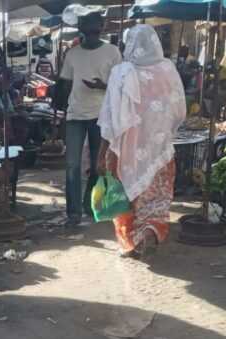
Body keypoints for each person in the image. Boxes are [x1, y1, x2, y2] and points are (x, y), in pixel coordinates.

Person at [97, 25, 186, 258]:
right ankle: (150, 229)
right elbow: (178, 111)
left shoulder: (122, 72)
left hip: (125, 152)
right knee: (156, 198)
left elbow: (109, 119)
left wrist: (102, 153)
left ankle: (129, 243)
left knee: (125, 197)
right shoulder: (168, 69)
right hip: (159, 150)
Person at [55, 11, 122, 227]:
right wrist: (60, 111)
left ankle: (88, 204)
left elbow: (121, 84)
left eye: (95, 31)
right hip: (75, 114)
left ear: (100, 30)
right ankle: (73, 212)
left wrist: (101, 85)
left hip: (101, 115)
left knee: (96, 165)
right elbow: (64, 84)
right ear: (82, 31)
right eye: (88, 31)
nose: (92, 35)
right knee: (72, 164)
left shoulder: (112, 52)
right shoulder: (73, 54)